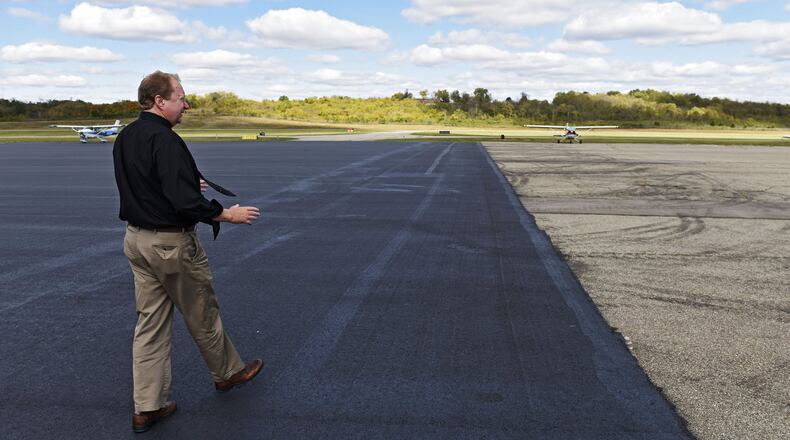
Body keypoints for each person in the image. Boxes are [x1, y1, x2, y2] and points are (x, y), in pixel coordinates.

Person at [113, 71, 263, 433]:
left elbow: (146, 182)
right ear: (159, 101)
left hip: (137, 240)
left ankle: (147, 407)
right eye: (180, 97)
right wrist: (225, 213)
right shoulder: (165, 140)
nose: (187, 104)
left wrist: (183, 183)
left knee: (150, 325)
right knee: (202, 312)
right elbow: (181, 200)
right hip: (170, 244)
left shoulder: (127, 136)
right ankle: (227, 373)